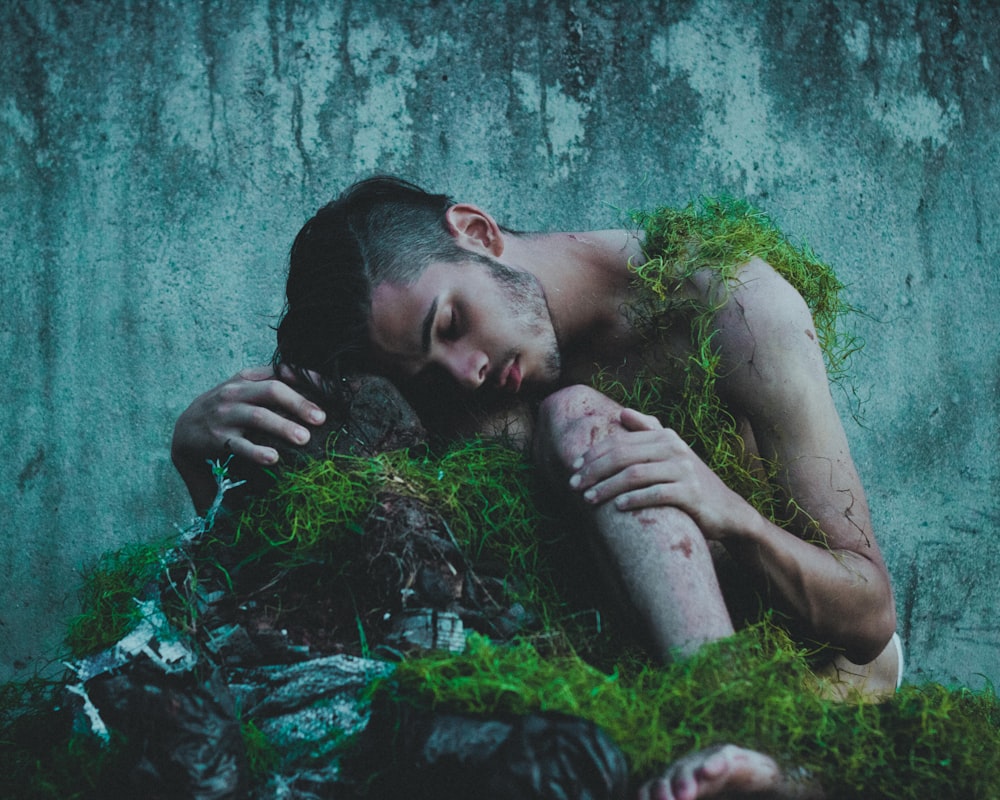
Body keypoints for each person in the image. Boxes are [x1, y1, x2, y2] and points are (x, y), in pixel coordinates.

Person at [171, 176, 898, 797]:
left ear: (477, 231)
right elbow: (311, 566)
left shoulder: (733, 308)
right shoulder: (451, 396)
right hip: (614, 698)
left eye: (450, 323)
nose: (461, 372)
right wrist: (201, 456)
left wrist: (730, 513)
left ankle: (743, 739)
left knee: (577, 417)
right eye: (426, 368)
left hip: (803, 682)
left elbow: (869, 617)